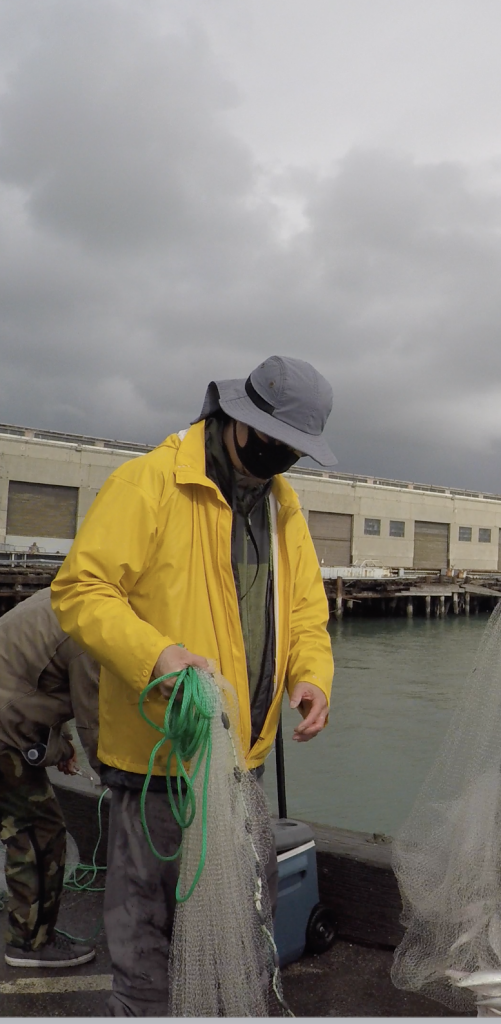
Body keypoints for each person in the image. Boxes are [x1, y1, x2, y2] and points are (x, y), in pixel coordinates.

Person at [51, 355, 337, 1016]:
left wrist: (311, 676)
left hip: (240, 767)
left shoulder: (281, 504)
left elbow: (305, 613)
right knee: (146, 955)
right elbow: (81, 591)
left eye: (296, 450)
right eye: (277, 443)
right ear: (239, 418)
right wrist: (157, 654)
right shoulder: (147, 482)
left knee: (246, 941)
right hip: (157, 769)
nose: (283, 458)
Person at [0, 587, 101, 968]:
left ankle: (33, 936)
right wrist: (115, 777)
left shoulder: (66, 596)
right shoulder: (92, 626)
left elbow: (40, 681)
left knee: (34, 829)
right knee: (37, 833)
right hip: (4, 733)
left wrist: (63, 747)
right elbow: (93, 716)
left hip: (8, 721)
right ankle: (29, 944)